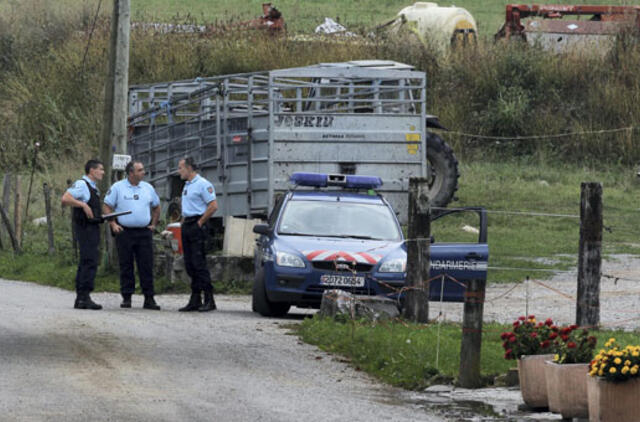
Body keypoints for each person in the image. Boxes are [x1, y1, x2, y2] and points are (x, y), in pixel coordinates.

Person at [103, 161, 161, 310]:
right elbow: (107, 206)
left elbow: (156, 206)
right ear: (131, 173)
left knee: (146, 265)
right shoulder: (118, 187)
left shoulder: (148, 188)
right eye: (140, 170)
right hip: (125, 232)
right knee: (126, 265)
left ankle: (149, 298)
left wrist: (153, 224)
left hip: (144, 232)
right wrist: (113, 224)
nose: (143, 172)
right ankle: (127, 297)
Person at [61, 159, 104, 310]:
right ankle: (84, 296)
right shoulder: (82, 184)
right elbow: (65, 198)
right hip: (85, 228)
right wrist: (83, 204)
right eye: (100, 169)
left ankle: (81, 297)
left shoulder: (92, 187)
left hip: (91, 227)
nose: (103, 172)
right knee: (89, 261)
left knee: (88, 260)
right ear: (92, 171)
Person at [177, 157, 218, 312]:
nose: (178, 171)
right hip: (187, 225)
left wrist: (200, 223)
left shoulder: (203, 184)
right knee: (189, 264)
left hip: (197, 225)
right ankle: (195, 298)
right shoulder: (187, 185)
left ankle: (209, 298)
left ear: (189, 168)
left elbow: (213, 206)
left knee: (199, 263)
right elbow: (187, 207)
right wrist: (182, 223)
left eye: (180, 168)